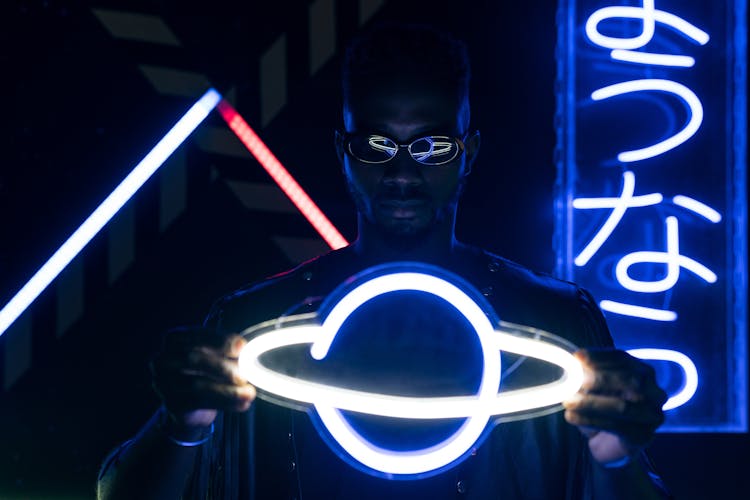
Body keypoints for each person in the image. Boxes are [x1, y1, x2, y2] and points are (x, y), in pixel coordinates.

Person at [97, 23, 670, 499]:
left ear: (467, 153)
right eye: (376, 145)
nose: (401, 172)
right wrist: (183, 424)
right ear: (342, 151)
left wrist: (615, 456)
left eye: (430, 146)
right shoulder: (254, 325)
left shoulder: (556, 322)